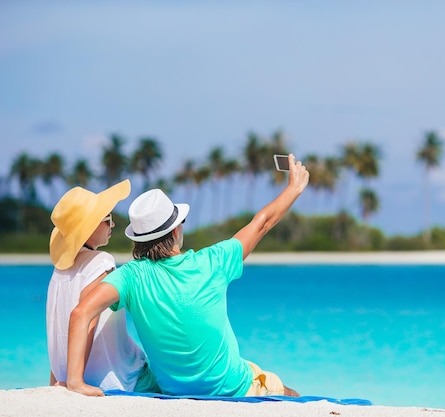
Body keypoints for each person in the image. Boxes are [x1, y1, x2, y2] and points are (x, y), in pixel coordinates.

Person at [66, 154, 309, 397]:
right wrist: (294, 188)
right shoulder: (213, 262)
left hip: (172, 390)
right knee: (290, 394)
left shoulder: (130, 277)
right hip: (233, 388)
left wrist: (74, 381)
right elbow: (262, 223)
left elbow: (80, 312)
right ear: (175, 230)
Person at [46, 179, 159, 393]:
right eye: (108, 219)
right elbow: (87, 318)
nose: (113, 225)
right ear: (90, 227)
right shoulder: (101, 262)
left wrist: (58, 380)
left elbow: (57, 330)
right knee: (171, 377)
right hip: (117, 378)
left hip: (67, 374)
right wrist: (75, 382)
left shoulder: (59, 271)